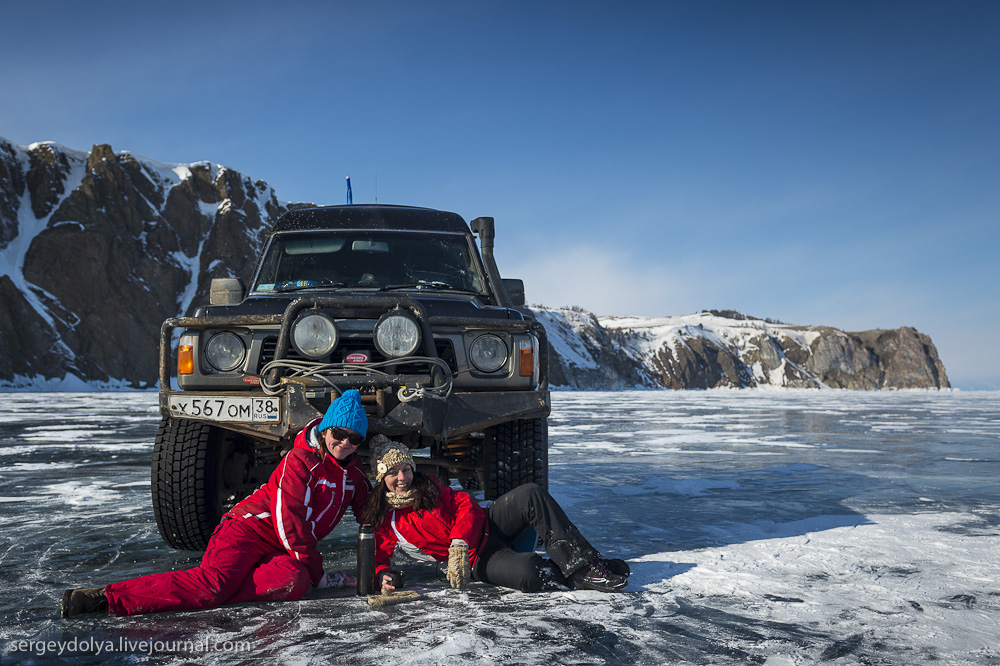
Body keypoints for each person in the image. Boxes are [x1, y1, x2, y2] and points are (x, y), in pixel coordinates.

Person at [61, 389, 373, 617]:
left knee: (294, 581)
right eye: (339, 433)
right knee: (212, 585)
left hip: (280, 549)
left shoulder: (354, 473)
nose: (344, 443)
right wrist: (321, 574)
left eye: (354, 438)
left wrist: (380, 567)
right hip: (247, 531)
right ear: (325, 428)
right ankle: (107, 598)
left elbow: (371, 515)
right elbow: (290, 521)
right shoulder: (300, 460)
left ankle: (216, 595)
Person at [361, 435, 629, 594]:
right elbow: (380, 556)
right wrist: (383, 573)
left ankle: (584, 565)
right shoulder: (387, 518)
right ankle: (575, 573)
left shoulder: (429, 487)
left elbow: (464, 502)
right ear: (382, 476)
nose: (402, 478)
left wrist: (459, 541)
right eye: (393, 473)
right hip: (478, 560)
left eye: (406, 469)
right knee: (529, 573)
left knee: (530, 493)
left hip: (490, 523)